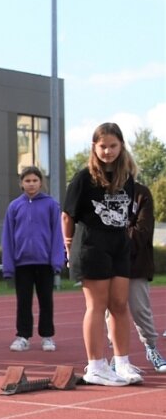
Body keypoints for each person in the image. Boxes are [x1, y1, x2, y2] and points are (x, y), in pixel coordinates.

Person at [62, 122, 142, 386]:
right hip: (91, 245)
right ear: (94, 147)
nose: (107, 151)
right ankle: (95, 366)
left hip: (118, 245)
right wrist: (69, 246)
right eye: (102, 146)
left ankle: (122, 363)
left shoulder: (127, 178)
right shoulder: (84, 177)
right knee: (96, 305)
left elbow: (128, 215)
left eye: (113, 146)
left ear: (121, 146)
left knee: (119, 305)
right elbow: (67, 215)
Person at [2, 166, 63, 353]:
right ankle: (23, 336)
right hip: (22, 264)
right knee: (23, 301)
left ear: (41, 182)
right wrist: (9, 266)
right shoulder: (14, 206)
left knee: (46, 300)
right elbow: (8, 237)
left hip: (44, 263)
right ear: (21, 183)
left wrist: (57, 261)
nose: (31, 184)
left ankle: (47, 336)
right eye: (27, 181)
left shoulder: (51, 204)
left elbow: (57, 234)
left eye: (35, 180)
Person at [124, 181, 166, 372]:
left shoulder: (141, 193)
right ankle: (117, 357)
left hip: (136, 264)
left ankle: (151, 347)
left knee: (140, 309)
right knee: (110, 312)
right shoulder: (100, 191)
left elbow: (143, 230)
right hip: (108, 264)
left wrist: (114, 238)